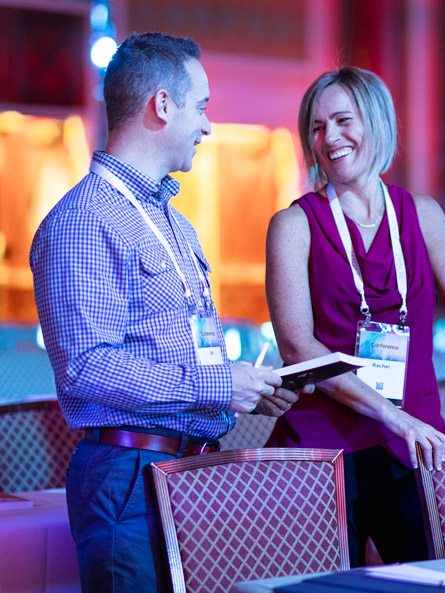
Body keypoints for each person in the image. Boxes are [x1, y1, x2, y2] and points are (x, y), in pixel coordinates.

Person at [30, 32, 306, 593]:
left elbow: (190, 352)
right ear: (162, 104)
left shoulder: (174, 223)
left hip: (192, 470)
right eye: (201, 107)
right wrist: (213, 385)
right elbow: (86, 369)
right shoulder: (86, 219)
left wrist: (244, 387)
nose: (208, 126)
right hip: (129, 479)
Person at [264, 66, 445, 566]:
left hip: (416, 445)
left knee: (430, 581)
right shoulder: (293, 225)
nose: (329, 138)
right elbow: (298, 347)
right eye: (316, 128)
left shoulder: (422, 213)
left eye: (343, 120)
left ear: (376, 122)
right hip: (326, 454)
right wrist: (389, 413)